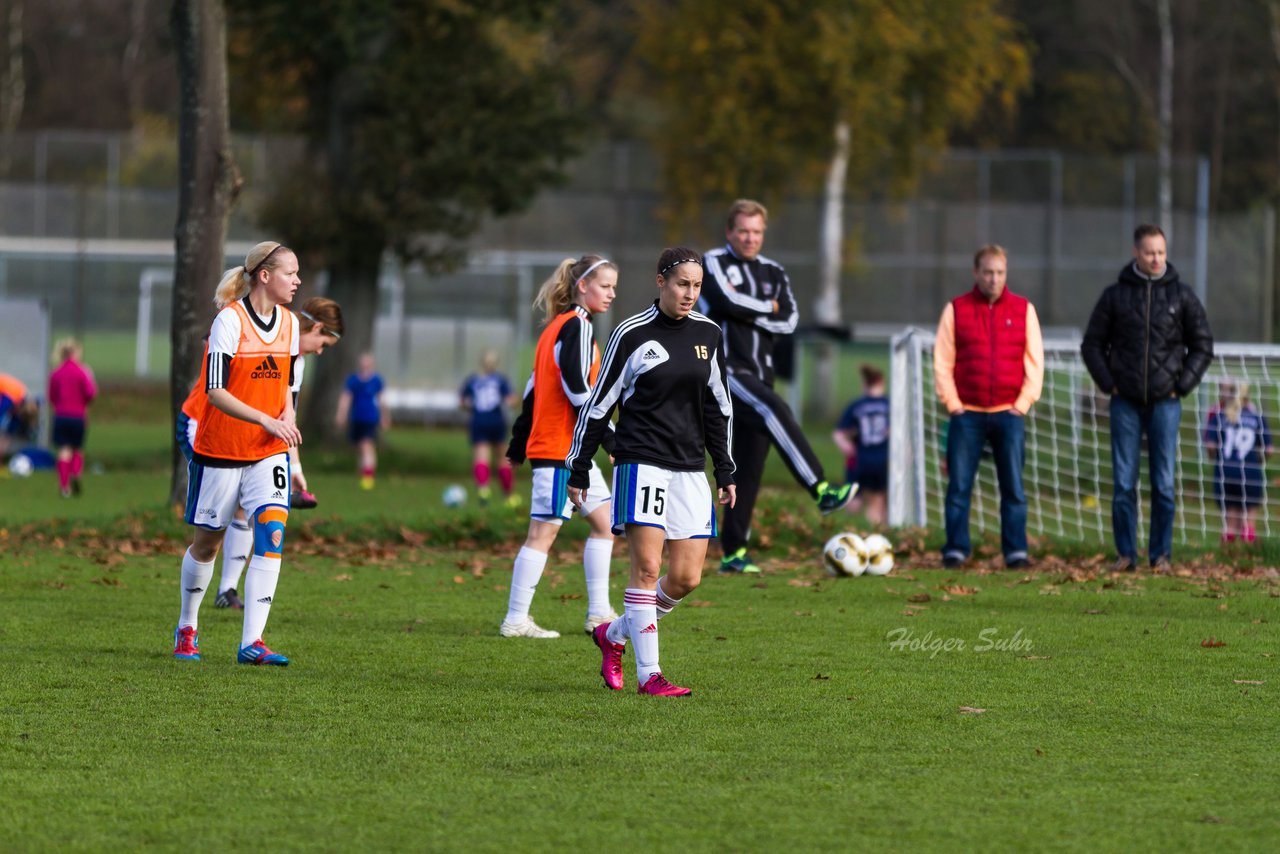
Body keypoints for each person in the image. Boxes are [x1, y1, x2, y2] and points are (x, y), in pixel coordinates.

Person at [569, 247, 735, 697]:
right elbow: (598, 406)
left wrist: (725, 468)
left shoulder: (709, 334)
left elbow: (718, 407)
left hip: (689, 468)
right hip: (640, 461)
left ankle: (613, 634)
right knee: (645, 568)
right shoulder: (631, 333)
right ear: (660, 281)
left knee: (686, 578)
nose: (690, 293)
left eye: (697, 286)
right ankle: (650, 676)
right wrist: (579, 466)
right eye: (682, 283)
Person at [700, 199, 854, 575]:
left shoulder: (774, 271)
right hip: (728, 370)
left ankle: (734, 553)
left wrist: (755, 311)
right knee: (775, 409)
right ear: (729, 232)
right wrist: (765, 309)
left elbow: (790, 320)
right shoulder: (712, 262)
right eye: (743, 231)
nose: (750, 238)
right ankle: (820, 489)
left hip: (761, 373)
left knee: (748, 466)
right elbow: (723, 301)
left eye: (756, 232)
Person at [173, 240, 303, 666]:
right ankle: (187, 627)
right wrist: (266, 420)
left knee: (272, 533)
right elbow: (214, 392)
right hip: (222, 450)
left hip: (267, 454)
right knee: (207, 545)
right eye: (291, 273)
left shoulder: (289, 324)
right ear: (265, 276)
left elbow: (286, 385)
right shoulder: (229, 321)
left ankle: (253, 641)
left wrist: (285, 419)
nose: (297, 280)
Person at [176, 298, 345, 610]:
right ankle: (192, 616)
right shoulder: (250, 324)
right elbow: (216, 354)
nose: (320, 351)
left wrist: (294, 467)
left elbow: (285, 417)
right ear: (317, 327)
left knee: (252, 511)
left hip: (250, 440)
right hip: (202, 427)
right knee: (211, 534)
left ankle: (227, 592)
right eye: (323, 343)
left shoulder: (297, 360)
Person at [1082, 224, 1214, 572]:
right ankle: (1126, 555)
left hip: (1166, 402)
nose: (1156, 258)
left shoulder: (1182, 296)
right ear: (1135, 253)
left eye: (1161, 251)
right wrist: (1108, 382)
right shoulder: (1114, 296)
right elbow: (1092, 344)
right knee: (1124, 482)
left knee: (1164, 483)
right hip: (1124, 401)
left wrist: (1181, 386)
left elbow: (1202, 345)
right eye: (1149, 252)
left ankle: (1161, 556)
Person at [502, 255, 619, 638]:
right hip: (559, 451)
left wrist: (518, 446)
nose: (611, 294)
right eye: (605, 286)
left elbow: (532, 393)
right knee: (542, 535)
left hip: (569, 452)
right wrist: (611, 438)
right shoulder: (578, 328)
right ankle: (516, 619)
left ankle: (599, 613)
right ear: (583, 286)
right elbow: (578, 390)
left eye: (614, 287)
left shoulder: (556, 327)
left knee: (605, 525)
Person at [934, 245, 1044, 569]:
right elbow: (943, 362)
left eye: (999, 272)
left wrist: (1022, 404)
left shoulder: (1024, 310)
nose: (993, 279)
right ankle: (955, 549)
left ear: (1005, 273)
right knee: (958, 487)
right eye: (987, 272)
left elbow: (1035, 363)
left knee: (1013, 488)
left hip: (1009, 414)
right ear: (976, 273)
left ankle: (1015, 552)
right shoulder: (956, 310)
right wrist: (954, 405)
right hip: (966, 415)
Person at [1203, 379, 1271, 544]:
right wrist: (1259, 461)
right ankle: (1247, 551)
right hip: (1250, 472)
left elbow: (1210, 445)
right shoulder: (1257, 417)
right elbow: (1268, 449)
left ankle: (1227, 554)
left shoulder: (1218, 416)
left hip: (1225, 472)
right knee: (1248, 519)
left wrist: (1216, 458)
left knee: (1230, 521)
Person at [832, 365, 889, 525]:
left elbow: (838, 434)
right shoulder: (889, 404)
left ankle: (849, 530)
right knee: (877, 500)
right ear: (881, 382)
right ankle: (877, 533)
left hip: (860, 459)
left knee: (853, 498)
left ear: (864, 384)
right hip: (883, 459)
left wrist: (846, 446)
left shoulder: (856, 406)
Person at [460, 350, 518, 507]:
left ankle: (483, 490)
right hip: (497, 420)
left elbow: (463, 402)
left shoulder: (472, 380)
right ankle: (509, 497)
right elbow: (510, 401)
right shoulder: (501, 380)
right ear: (495, 364)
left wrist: (469, 407)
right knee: (502, 459)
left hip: (478, 421)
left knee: (481, 457)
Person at [46, 339, 98, 497]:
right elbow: (91, 393)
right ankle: (76, 472)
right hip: (78, 416)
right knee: (77, 448)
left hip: (61, 415)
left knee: (64, 450)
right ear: (75, 353)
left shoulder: (56, 373)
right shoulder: (83, 371)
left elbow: (51, 396)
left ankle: (64, 486)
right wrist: (83, 405)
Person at [336, 352, 387, 490]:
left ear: (371, 363)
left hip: (370, 418)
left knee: (366, 445)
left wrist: (384, 416)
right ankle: (364, 473)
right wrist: (341, 414)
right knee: (360, 447)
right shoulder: (353, 381)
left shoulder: (376, 381)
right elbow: (346, 399)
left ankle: (368, 476)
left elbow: (382, 400)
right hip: (356, 417)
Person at [0, 373, 38, 460]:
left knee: (8, 433)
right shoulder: (11, 397)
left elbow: (11, 426)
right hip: (8, 393)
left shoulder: (23, 399)